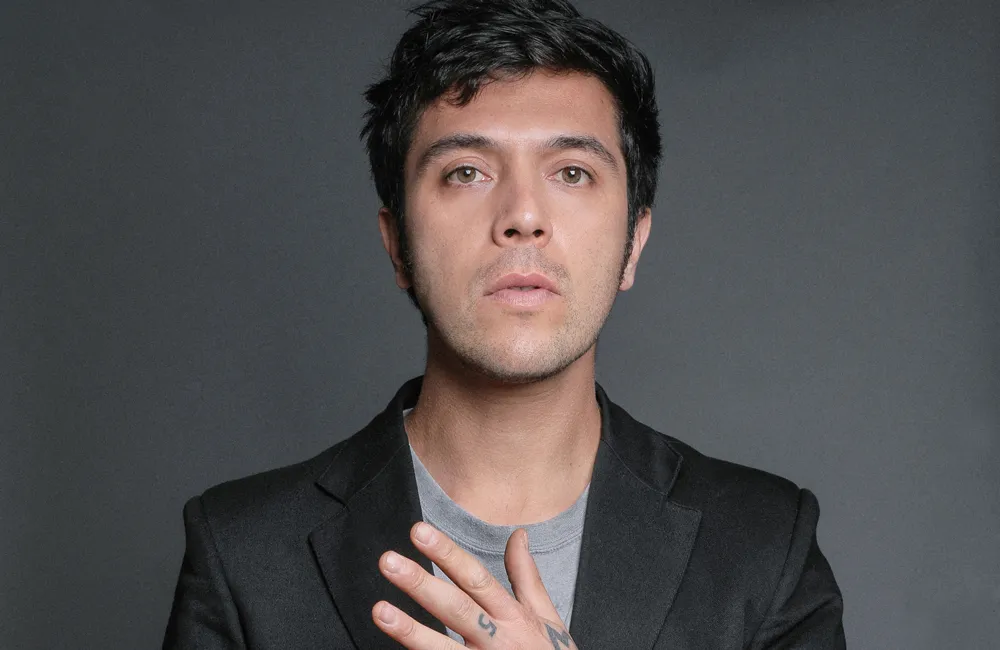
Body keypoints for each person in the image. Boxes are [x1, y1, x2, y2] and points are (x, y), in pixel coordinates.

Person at [162, 0, 846, 648]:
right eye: (467, 172)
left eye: (572, 173)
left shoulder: (764, 548)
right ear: (397, 244)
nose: (523, 215)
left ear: (634, 243)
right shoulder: (243, 553)